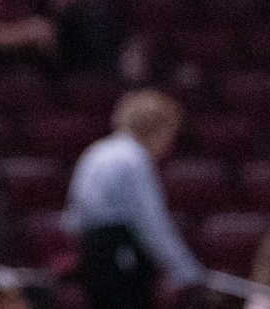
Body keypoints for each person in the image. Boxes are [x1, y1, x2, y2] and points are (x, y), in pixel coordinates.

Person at [64, 90, 203, 309]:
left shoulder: (96, 152)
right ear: (157, 127)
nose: (170, 144)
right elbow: (151, 221)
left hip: (92, 254)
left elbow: (72, 219)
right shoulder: (134, 159)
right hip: (120, 253)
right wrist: (185, 269)